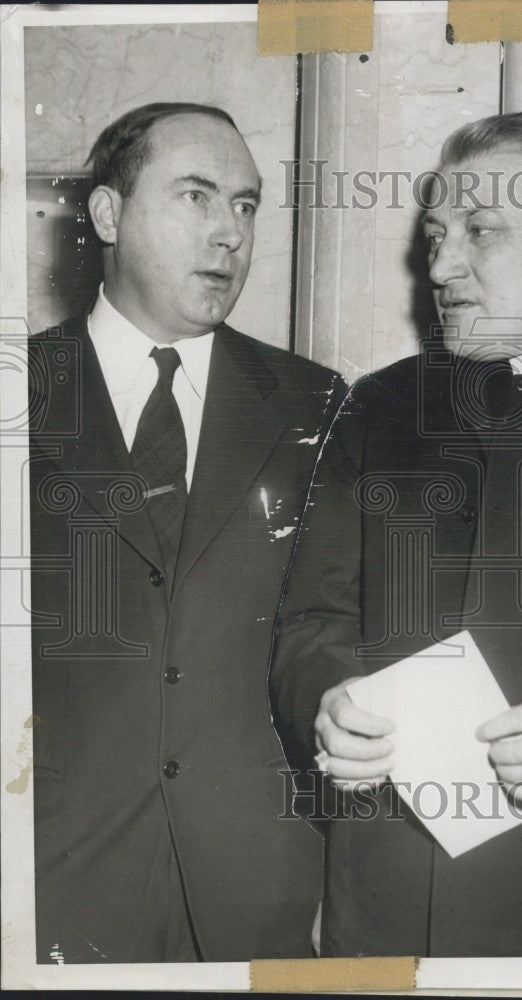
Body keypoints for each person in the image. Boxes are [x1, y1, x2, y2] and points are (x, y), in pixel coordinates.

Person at [271, 110, 522, 957]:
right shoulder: (379, 407)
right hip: (383, 904)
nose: (443, 267)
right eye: (436, 235)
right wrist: (327, 703)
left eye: (480, 231)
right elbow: (310, 623)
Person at [29, 102, 345, 963]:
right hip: (52, 890)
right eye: (197, 197)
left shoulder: (318, 404)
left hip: (262, 895)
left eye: (244, 206)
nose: (229, 234)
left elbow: (331, 630)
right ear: (106, 215)